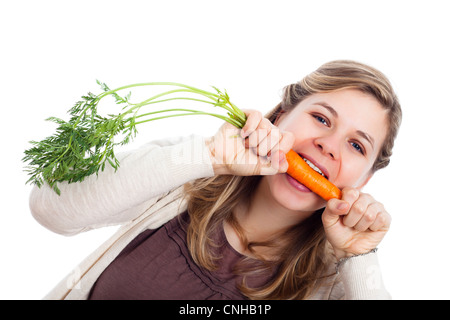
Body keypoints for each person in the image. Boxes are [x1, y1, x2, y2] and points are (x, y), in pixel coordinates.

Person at [29, 60, 402, 300]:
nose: (329, 145)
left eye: (356, 145)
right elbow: (50, 209)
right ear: (281, 117)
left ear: (365, 178)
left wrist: (359, 257)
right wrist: (206, 157)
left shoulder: (336, 283)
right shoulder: (187, 176)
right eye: (321, 119)